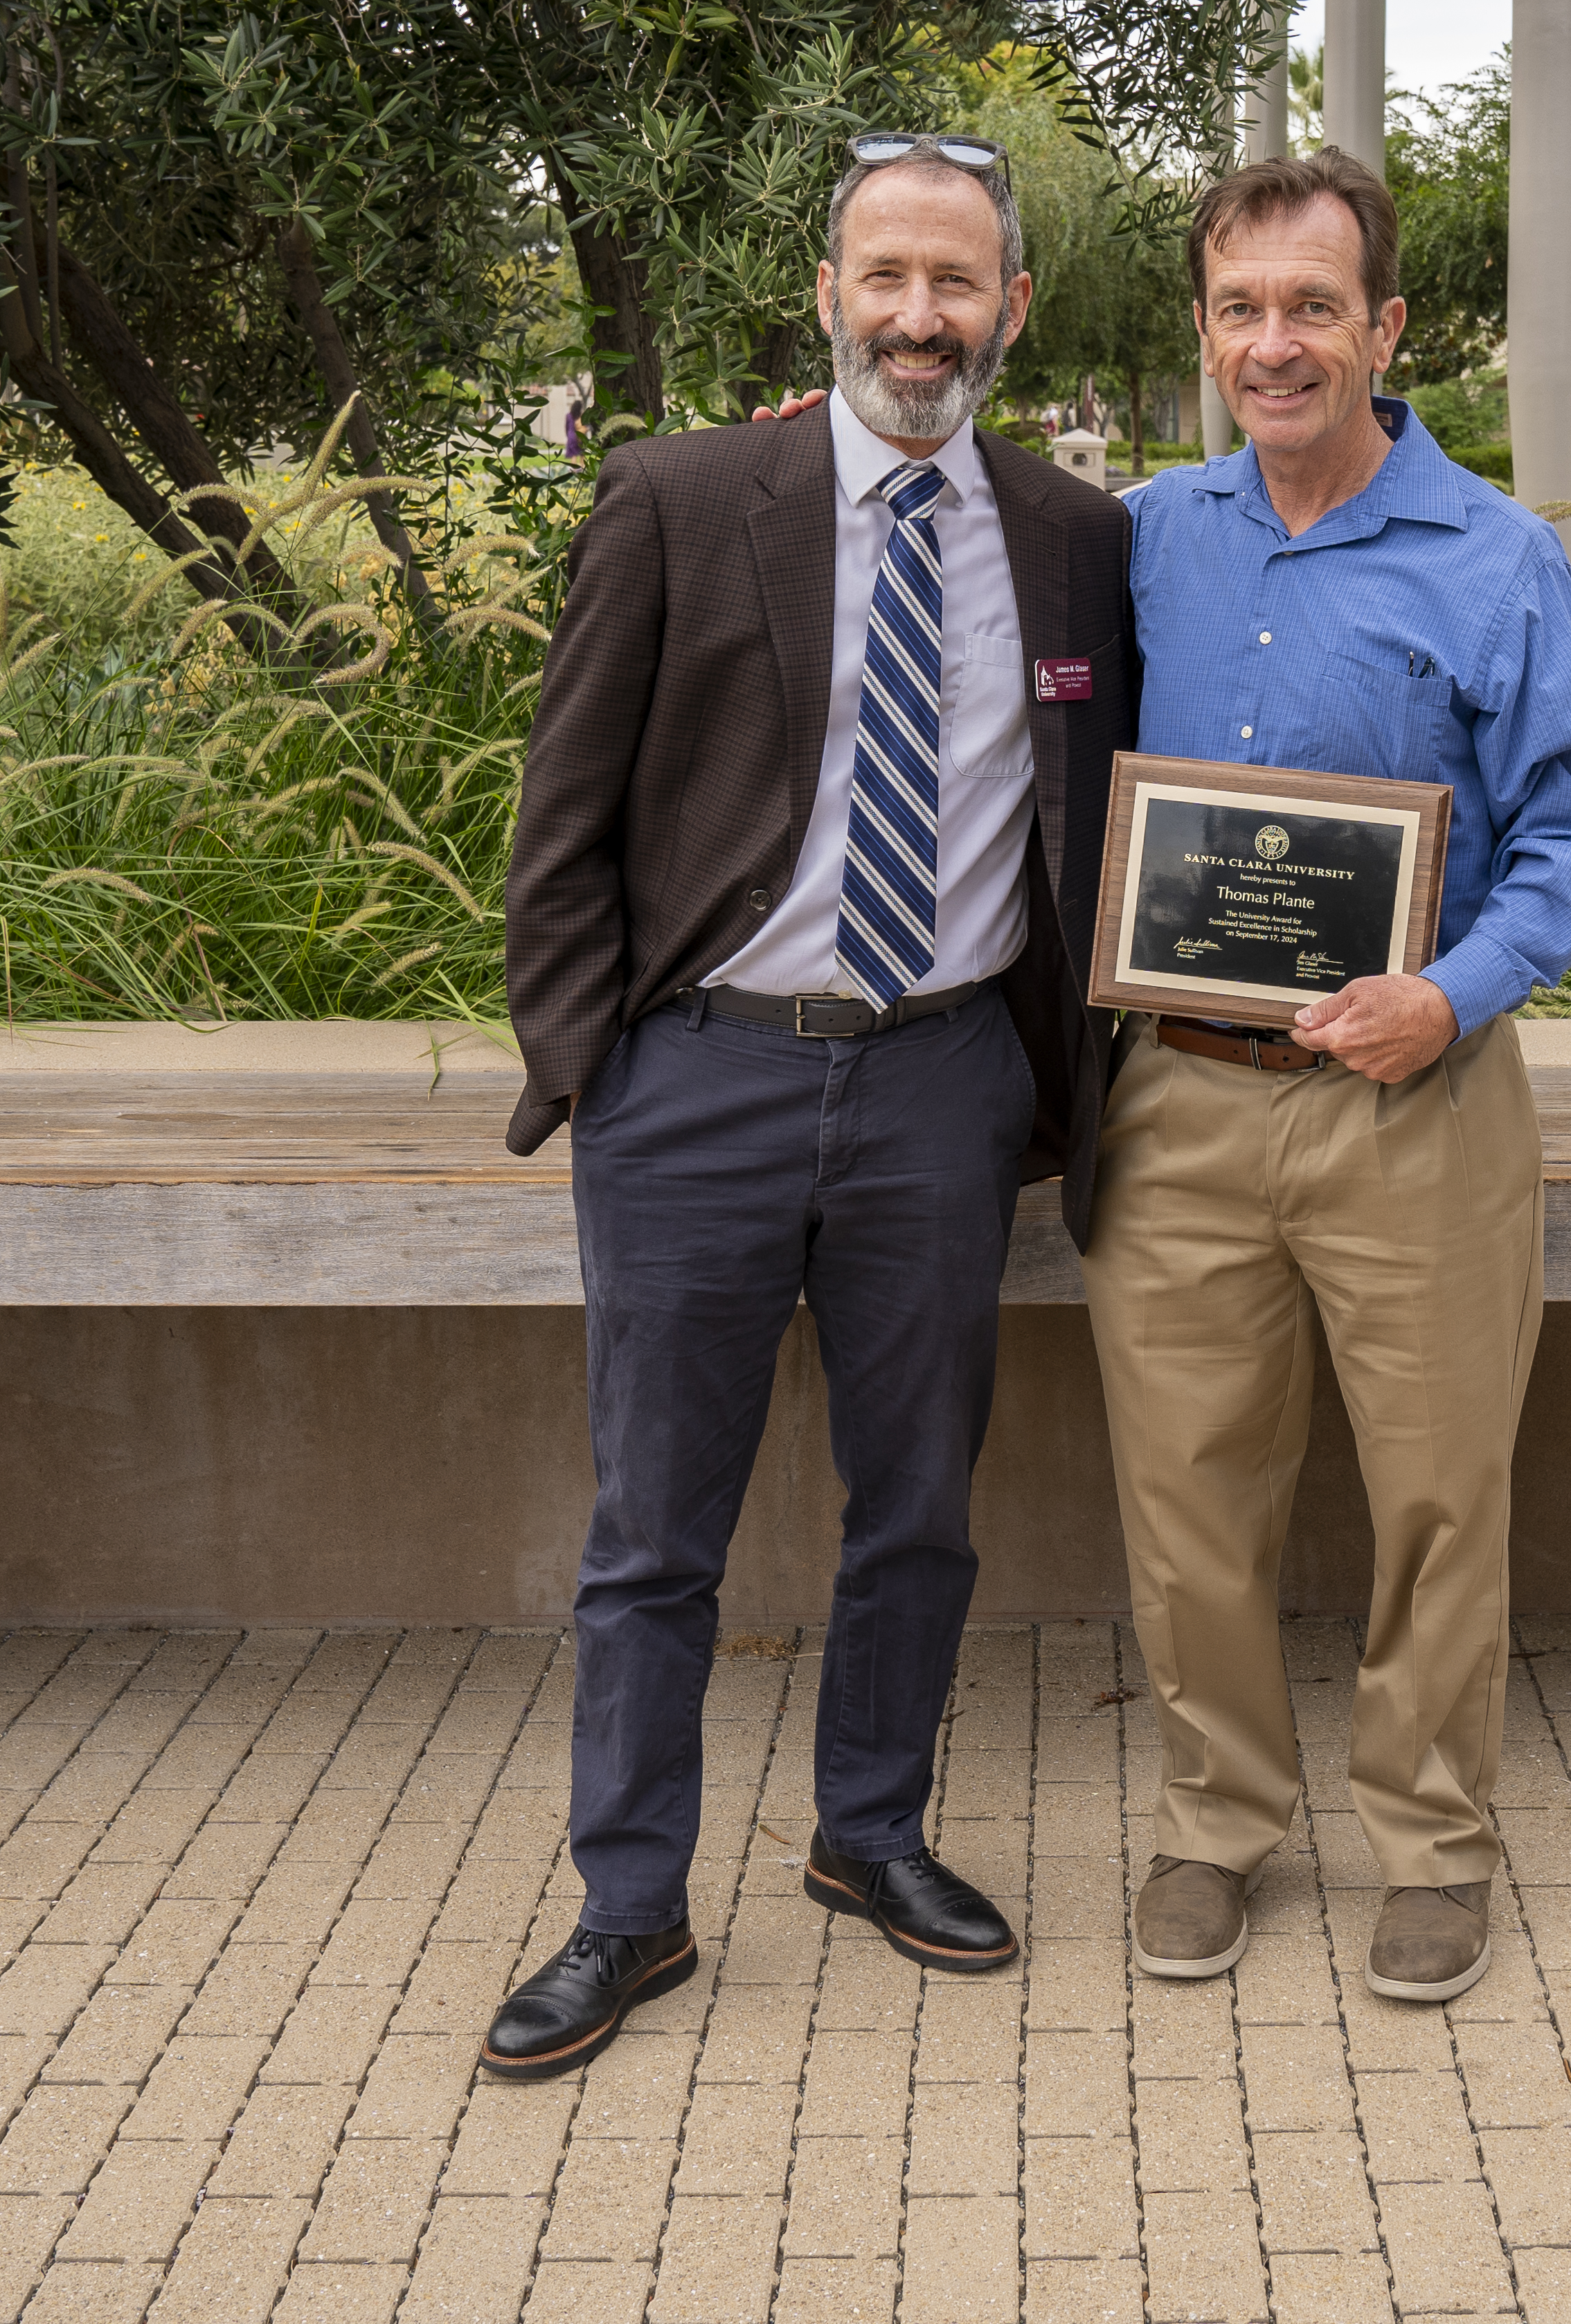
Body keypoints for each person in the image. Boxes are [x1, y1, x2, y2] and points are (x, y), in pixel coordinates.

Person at [487, 133, 1139, 2081]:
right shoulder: (684, 499)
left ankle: (871, 1836)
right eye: (885, 279)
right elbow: (563, 818)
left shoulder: (1079, 540)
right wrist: (594, 1062)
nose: (917, 319)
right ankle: (627, 1907)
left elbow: (1111, 813)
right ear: (830, 294)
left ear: (1009, 308)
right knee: (650, 1532)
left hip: (942, 1079)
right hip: (693, 1080)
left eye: (955, 284)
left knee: (917, 1507)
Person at [1096, 148, 1571, 2004]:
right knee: (1186, 1491)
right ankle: (1214, 1824)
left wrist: (1455, 990)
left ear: (1384, 327)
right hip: (1176, 1097)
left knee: (1433, 1492)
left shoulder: (1491, 559)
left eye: (1311, 306)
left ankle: (1428, 1841)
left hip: (1415, 1100)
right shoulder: (1148, 532)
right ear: (1205, 331)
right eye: (1241, 309)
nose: (1275, 344)